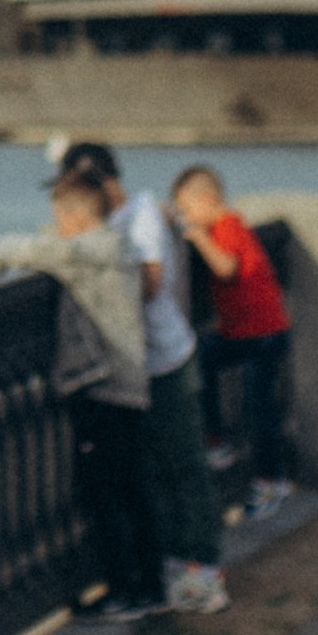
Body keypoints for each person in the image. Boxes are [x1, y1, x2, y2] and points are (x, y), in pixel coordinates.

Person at [0, 172, 196, 617]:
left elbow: (44, 250)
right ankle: (149, 586)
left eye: (58, 217)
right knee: (132, 489)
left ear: (73, 217)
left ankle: (126, 590)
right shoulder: (116, 246)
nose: (55, 225)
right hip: (128, 385)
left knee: (108, 494)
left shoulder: (90, 251)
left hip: (104, 386)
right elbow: (57, 247)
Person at [53, 140, 231, 597]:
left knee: (185, 464)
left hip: (166, 359)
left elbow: (150, 285)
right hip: (128, 370)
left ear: (106, 182)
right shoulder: (106, 226)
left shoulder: (143, 216)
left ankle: (206, 563)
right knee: (149, 472)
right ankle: (172, 561)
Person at [168, 167, 294, 513]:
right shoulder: (229, 225)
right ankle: (217, 440)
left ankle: (270, 482)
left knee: (260, 411)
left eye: (188, 210)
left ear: (208, 200)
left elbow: (226, 268)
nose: (188, 219)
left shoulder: (227, 227)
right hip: (247, 332)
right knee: (202, 361)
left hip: (262, 334)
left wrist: (197, 237)